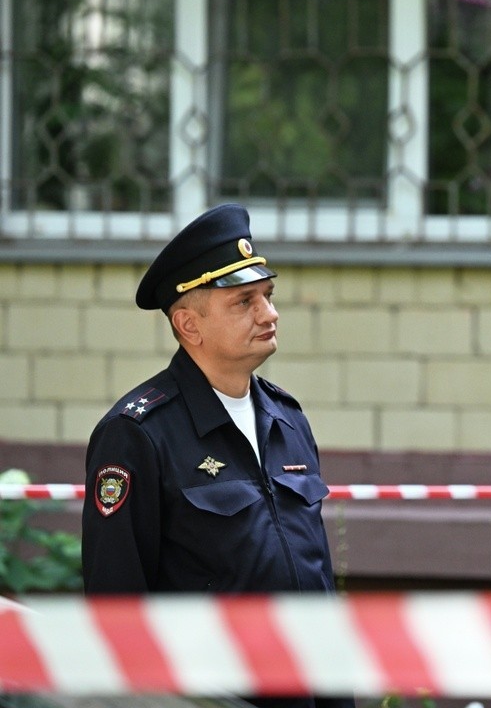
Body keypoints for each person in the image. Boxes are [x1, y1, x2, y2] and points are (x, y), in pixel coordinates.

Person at [82, 204, 353, 708]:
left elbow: (315, 581)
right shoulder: (137, 435)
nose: (269, 314)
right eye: (244, 301)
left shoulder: (288, 420)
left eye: (267, 296)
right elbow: (116, 612)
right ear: (189, 324)